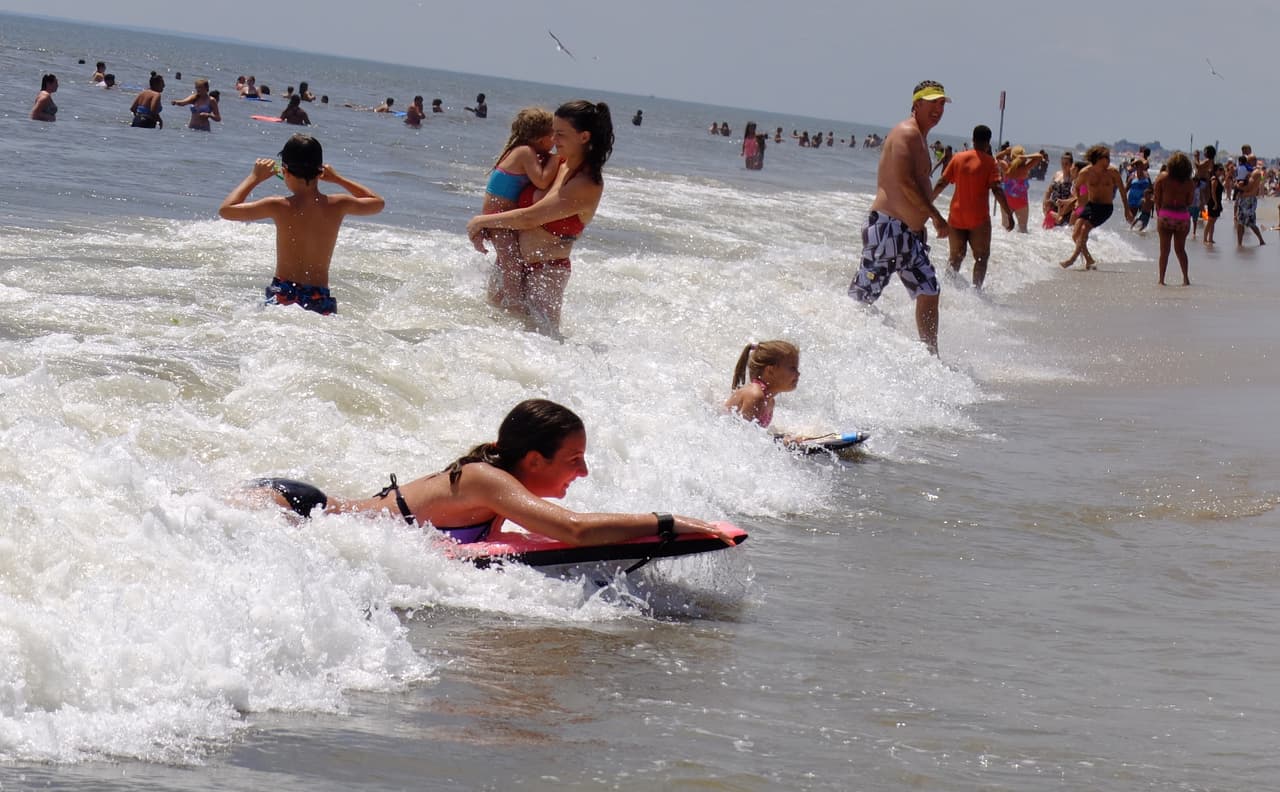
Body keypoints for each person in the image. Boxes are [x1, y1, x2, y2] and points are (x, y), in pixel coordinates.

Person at [251, 399, 737, 547]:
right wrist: (668, 522)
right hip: (291, 506)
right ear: (532, 460)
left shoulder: (498, 481)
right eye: (574, 460)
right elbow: (570, 528)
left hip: (308, 508)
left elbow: (556, 527)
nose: (584, 472)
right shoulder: (486, 478)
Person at [466, 100, 613, 337]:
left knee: (539, 346)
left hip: (546, 272)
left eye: (561, 134)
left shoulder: (587, 184)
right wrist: (491, 228)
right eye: (553, 132)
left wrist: (480, 222)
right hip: (510, 262)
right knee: (490, 336)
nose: (553, 140)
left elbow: (530, 218)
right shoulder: (558, 163)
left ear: (584, 137)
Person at [217, 134, 385, 315]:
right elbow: (377, 202)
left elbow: (226, 210)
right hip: (319, 298)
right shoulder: (338, 204)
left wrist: (254, 178)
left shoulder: (278, 205)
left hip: (283, 294)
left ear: (285, 171)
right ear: (320, 172)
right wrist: (338, 179)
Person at [848, 79, 952, 356]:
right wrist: (937, 217)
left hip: (907, 236)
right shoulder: (906, 133)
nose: (938, 109)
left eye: (942, 104)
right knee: (862, 299)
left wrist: (920, 227)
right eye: (932, 103)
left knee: (929, 290)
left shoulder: (920, 136)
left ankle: (931, 356)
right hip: (888, 230)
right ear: (917, 104)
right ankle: (844, 348)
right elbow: (905, 182)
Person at [479, 107, 560, 314]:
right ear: (542, 138)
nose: (556, 140)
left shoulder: (527, 151)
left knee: (506, 262)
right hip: (498, 219)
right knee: (512, 264)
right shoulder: (524, 152)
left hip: (505, 219)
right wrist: (555, 159)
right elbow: (541, 181)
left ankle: (495, 301)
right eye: (554, 135)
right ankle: (514, 308)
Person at [931, 124, 1013, 289]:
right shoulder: (990, 163)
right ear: (988, 143)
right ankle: (977, 294)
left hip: (956, 217)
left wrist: (927, 203)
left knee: (955, 258)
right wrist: (1009, 214)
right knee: (981, 258)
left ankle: (946, 290)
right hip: (978, 220)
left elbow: (942, 182)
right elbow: (997, 189)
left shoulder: (958, 158)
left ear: (973, 139)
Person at [1059, 145, 1134, 270]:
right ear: (1097, 159)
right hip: (1091, 205)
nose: (1109, 161)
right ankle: (1089, 260)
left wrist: (1127, 210)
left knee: (1084, 229)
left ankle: (1072, 259)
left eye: (1109, 158)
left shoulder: (1112, 172)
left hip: (1105, 208)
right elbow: (1077, 187)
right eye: (1106, 158)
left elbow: (1122, 190)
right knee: (1075, 234)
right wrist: (1078, 201)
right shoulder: (1085, 173)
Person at [725, 341, 800, 430]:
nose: (798, 374)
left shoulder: (770, 401)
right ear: (770, 370)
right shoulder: (755, 396)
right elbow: (741, 435)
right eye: (792, 368)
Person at [1152, 151, 1195, 286]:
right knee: (1180, 250)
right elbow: (1189, 201)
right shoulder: (1189, 182)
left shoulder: (1162, 178)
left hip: (1166, 215)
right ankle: (1185, 278)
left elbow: (1157, 198)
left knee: (1164, 251)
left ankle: (1161, 280)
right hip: (1182, 217)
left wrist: (1160, 213)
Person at [995, 145, 1045, 232]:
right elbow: (1039, 156)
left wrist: (1006, 151)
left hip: (1007, 201)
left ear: (1011, 156)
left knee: (1005, 229)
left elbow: (997, 157)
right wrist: (1024, 156)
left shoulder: (1006, 167)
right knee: (1023, 230)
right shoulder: (1025, 168)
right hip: (1021, 202)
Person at [1235, 152, 1266, 247]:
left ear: (1253, 161)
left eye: (1248, 161)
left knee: (1247, 222)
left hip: (1248, 199)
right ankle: (1241, 243)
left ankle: (1260, 240)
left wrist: (1237, 186)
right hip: (1246, 198)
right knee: (1244, 222)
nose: (1246, 163)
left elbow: (1248, 186)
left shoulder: (1255, 172)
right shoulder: (1250, 171)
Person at [1042, 152, 1075, 225]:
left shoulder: (1073, 178)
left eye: (1066, 164)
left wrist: (1061, 214)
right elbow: (1049, 191)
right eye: (1062, 163)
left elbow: (1073, 199)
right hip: (1052, 209)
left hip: (1065, 211)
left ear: (1071, 165)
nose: (1064, 166)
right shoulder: (1057, 174)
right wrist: (1044, 206)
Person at [1125, 160, 1152, 229]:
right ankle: (1131, 233)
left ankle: (1141, 231)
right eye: (1139, 166)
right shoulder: (1132, 176)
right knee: (1130, 219)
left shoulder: (1147, 175)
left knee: (1143, 217)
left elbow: (1151, 188)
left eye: (1142, 166)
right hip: (1132, 200)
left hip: (1143, 199)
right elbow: (1126, 188)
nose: (1141, 167)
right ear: (1136, 167)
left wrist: (1151, 199)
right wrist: (1124, 200)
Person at [1204, 163, 1225, 245]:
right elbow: (1212, 192)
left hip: (1217, 201)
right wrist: (1216, 203)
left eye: (1222, 170)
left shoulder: (1217, 179)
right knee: (1210, 221)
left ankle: (1210, 238)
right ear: (1215, 171)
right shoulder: (1214, 179)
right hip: (1213, 201)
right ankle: (1205, 238)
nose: (1221, 171)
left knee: (1213, 221)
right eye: (1219, 170)